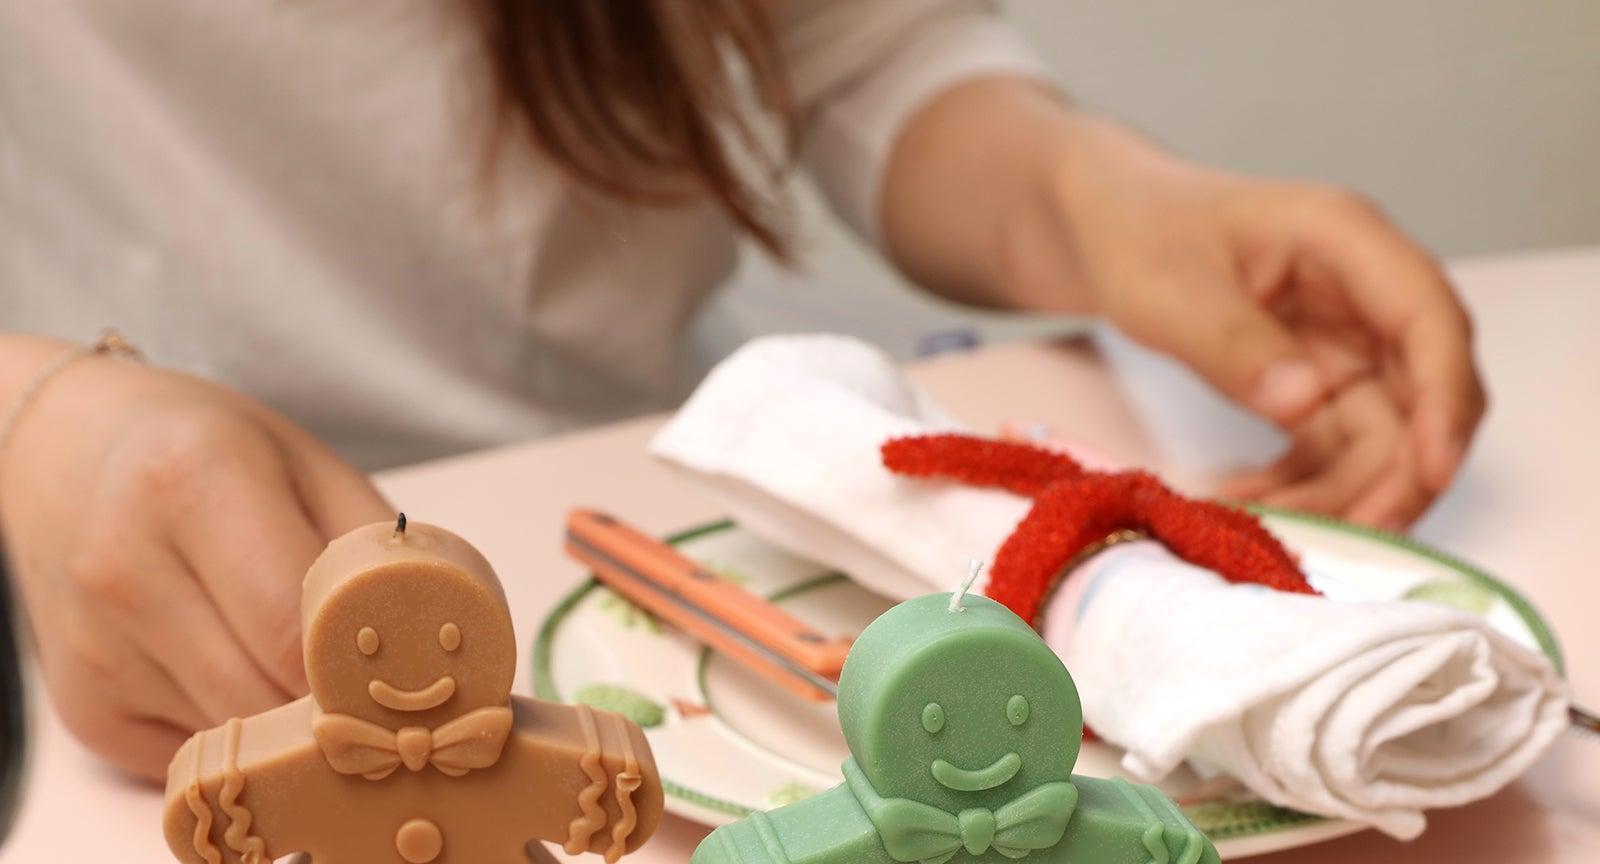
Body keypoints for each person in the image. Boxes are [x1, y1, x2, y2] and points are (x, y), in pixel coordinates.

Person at [0, 0, 1485, 781]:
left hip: (690, 484)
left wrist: (1096, 200)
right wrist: (31, 422)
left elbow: (853, 49)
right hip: (99, 613)